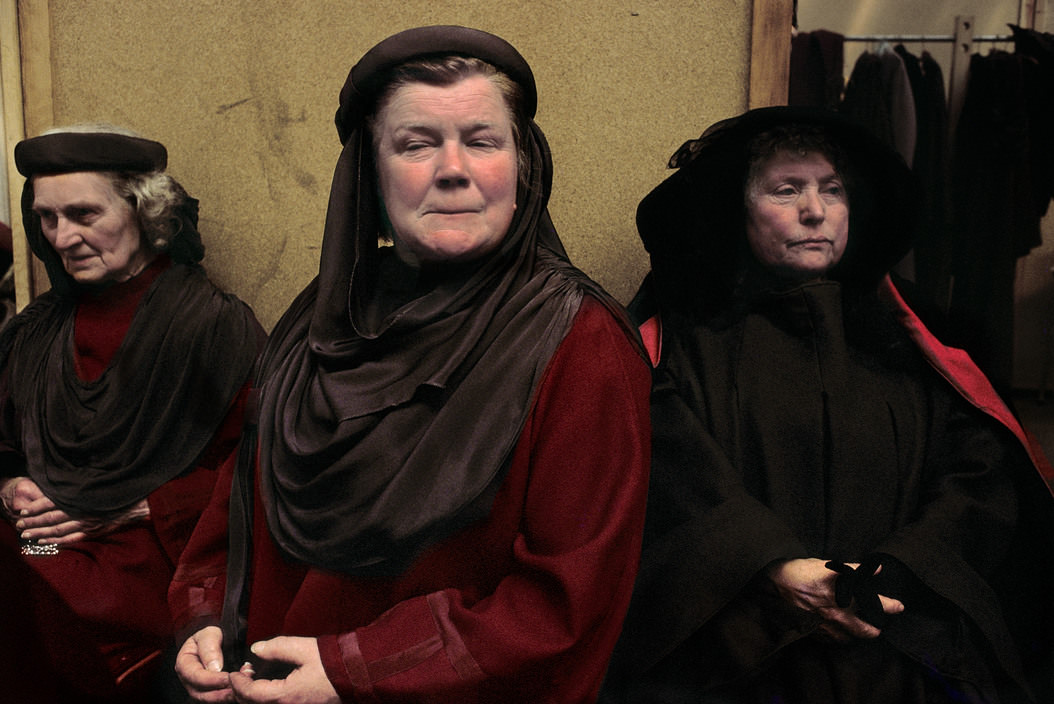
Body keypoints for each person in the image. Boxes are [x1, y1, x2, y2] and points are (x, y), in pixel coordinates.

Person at [171, 25, 651, 704]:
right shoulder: (310, 326)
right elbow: (235, 517)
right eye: (416, 143)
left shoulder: (579, 342)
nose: (452, 168)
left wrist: (355, 669)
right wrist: (202, 618)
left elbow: (567, 604)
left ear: (524, 167)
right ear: (370, 173)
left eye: (482, 141)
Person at [600, 106, 1054, 703]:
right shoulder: (679, 345)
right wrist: (772, 568)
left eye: (831, 190)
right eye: (785, 190)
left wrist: (894, 575)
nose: (814, 211)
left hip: (899, 648)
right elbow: (673, 480)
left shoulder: (916, 340)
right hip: (737, 653)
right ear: (738, 209)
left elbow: (976, 479)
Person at [0, 126, 264, 702]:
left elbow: (254, 474)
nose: (64, 237)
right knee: (19, 571)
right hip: (43, 543)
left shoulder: (211, 327)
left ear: (145, 210)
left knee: (41, 608)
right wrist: (12, 484)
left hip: (145, 558)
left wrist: (133, 505)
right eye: (47, 218)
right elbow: (5, 447)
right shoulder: (36, 331)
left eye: (84, 214)